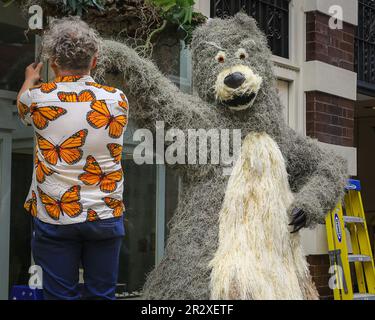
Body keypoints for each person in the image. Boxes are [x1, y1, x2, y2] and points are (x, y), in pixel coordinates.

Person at [16, 16, 129, 300]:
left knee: (59, 296)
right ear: (94, 60)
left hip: (55, 216)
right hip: (104, 212)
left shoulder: (37, 99)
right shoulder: (117, 100)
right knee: (102, 295)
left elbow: (22, 104)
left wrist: (30, 79)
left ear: (53, 61)